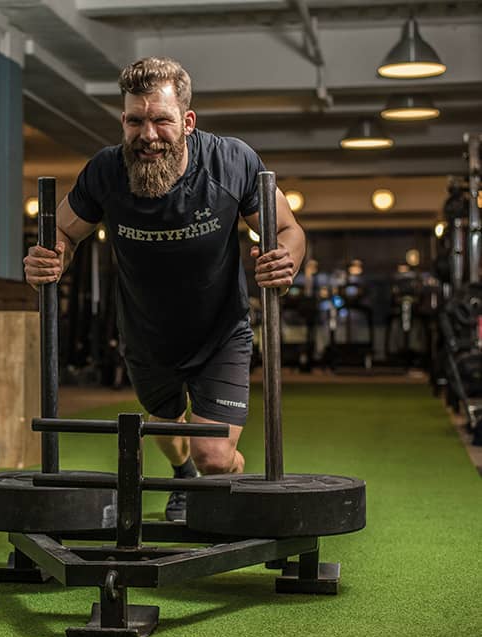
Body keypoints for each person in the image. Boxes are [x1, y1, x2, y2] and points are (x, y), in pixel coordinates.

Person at [23, 56, 305, 521]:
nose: (148, 135)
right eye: (135, 121)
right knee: (170, 436)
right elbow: (66, 234)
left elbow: (291, 230)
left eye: (161, 121)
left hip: (221, 332)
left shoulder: (232, 162)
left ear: (187, 121)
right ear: (124, 120)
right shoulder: (106, 172)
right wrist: (47, 255)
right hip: (146, 333)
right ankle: (183, 478)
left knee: (213, 456)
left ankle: (225, 475)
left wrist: (286, 258)